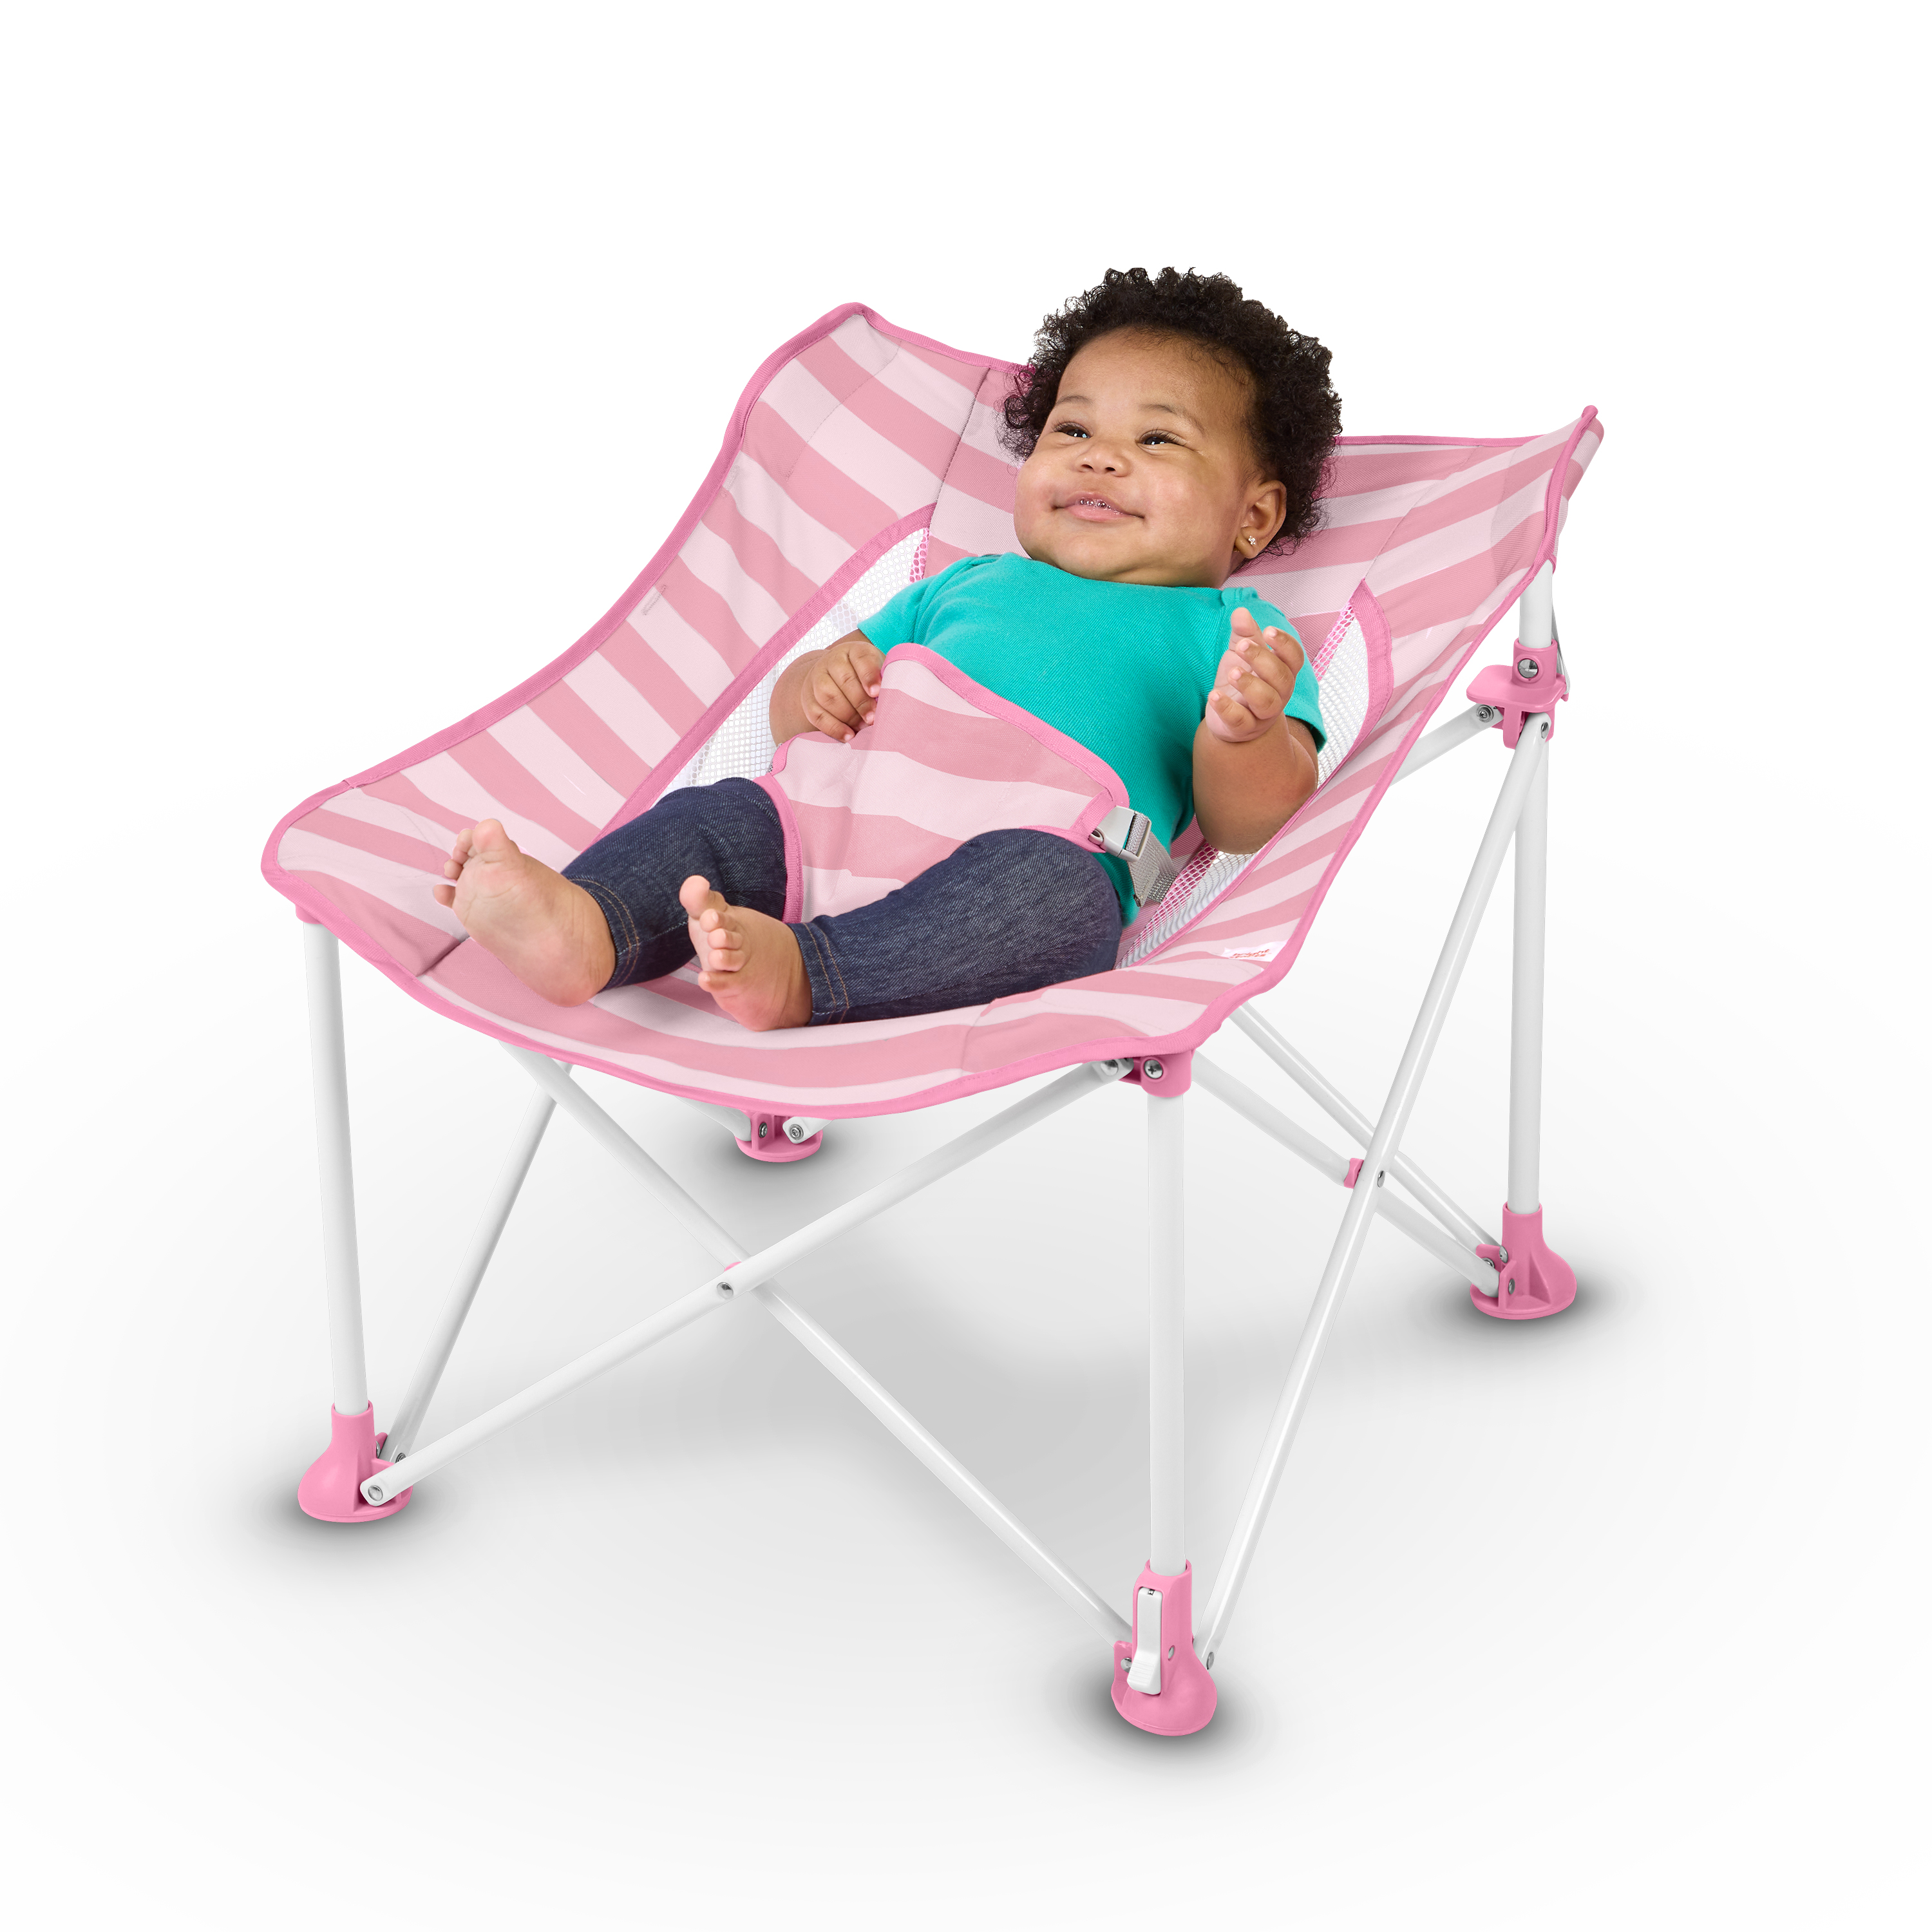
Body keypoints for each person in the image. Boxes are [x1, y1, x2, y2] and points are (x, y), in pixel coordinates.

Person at [433, 267, 1340, 1029]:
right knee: (720, 818)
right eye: (1072, 430)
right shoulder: (963, 584)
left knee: (1056, 902)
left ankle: (808, 974)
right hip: (826, 825)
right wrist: (817, 686)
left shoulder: (1237, 636)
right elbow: (798, 714)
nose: (1100, 457)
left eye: (1157, 438)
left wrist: (1245, 735)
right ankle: (588, 925)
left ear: (1254, 516)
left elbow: (1250, 825)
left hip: (1029, 858)